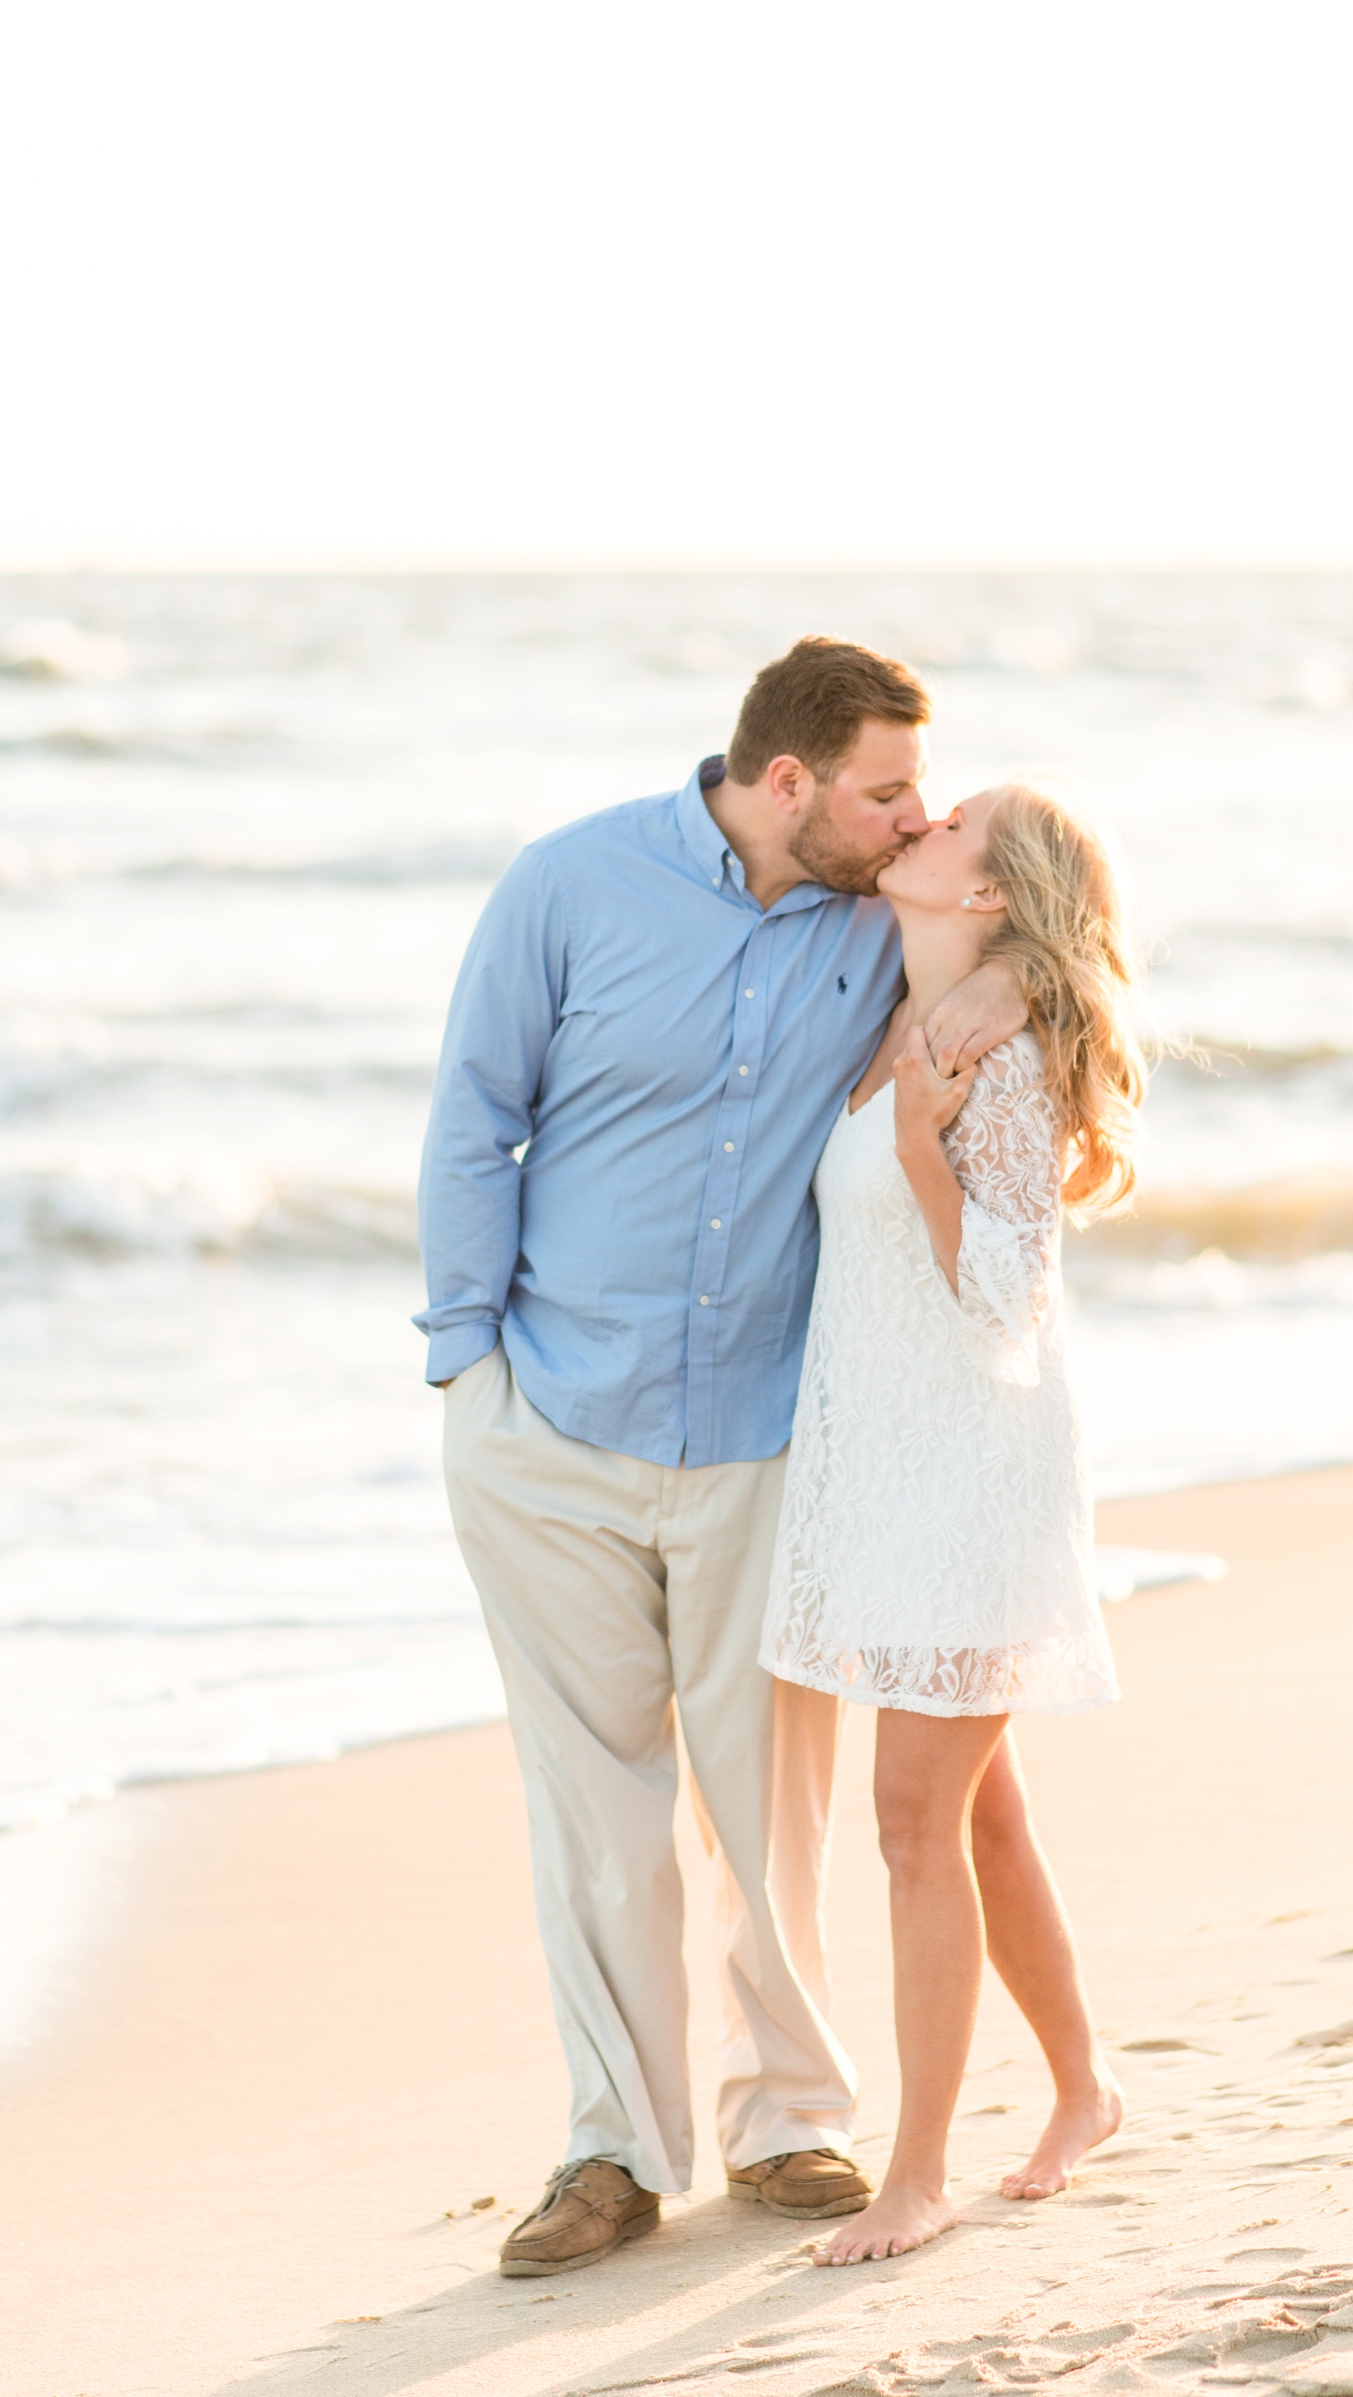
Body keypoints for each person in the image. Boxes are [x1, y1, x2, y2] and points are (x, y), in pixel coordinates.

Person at [415, 637, 1027, 2276]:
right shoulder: (570, 883)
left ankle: (789, 2122)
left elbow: (1059, 924)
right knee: (595, 1806)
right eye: (887, 789)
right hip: (549, 1418)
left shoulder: (878, 916)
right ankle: (611, 2150)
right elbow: (477, 1112)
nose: (917, 818)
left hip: (768, 1431)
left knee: (774, 1804)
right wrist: (465, 1361)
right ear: (787, 782)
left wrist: (1011, 978)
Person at [759, 781, 1146, 2264]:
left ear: (988, 894)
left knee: (916, 1821)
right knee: (978, 1807)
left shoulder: (1007, 1058)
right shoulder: (911, 1016)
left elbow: (1002, 1306)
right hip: (892, 1474)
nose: (917, 825)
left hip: (977, 1471)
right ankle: (1085, 2084)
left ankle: (915, 2171)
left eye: (951, 826)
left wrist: (926, 1150)